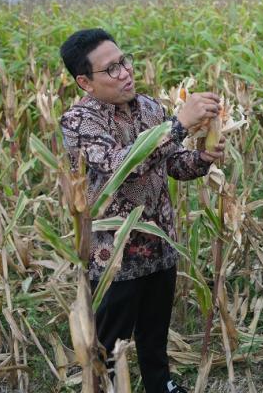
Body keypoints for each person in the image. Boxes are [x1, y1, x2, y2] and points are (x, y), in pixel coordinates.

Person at [59, 28, 225, 393]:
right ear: (85, 82)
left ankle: (160, 385)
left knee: (154, 337)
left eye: (124, 62)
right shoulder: (79, 122)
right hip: (114, 256)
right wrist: (179, 124)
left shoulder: (150, 108)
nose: (125, 72)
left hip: (160, 245)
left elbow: (173, 166)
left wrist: (202, 158)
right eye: (112, 69)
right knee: (110, 343)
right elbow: (122, 166)